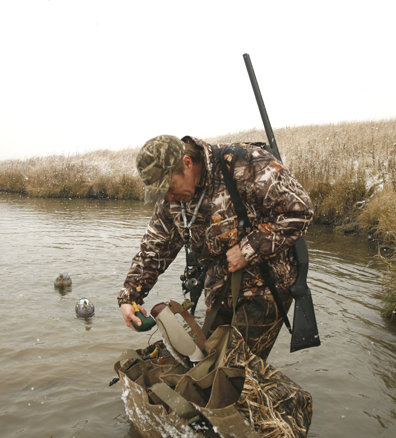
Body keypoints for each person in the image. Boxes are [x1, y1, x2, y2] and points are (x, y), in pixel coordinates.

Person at [118, 134, 314, 362]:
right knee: (206, 364)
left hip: (265, 288)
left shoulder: (245, 163)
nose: (169, 197)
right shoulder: (171, 201)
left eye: (170, 187)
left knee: (234, 374)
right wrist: (129, 297)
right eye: (162, 192)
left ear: (187, 163)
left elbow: (299, 211)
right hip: (220, 289)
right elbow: (154, 250)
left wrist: (248, 250)